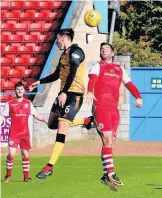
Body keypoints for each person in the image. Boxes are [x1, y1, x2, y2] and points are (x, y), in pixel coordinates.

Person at [29, 28, 93, 179]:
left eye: (58, 39)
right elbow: (57, 74)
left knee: (62, 128)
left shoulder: (77, 52)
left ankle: (49, 166)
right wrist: (40, 81)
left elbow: (72, 72)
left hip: (74, 96)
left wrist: (64, 92)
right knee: (52, 124)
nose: (56, 41)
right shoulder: (63, 55)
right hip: (63, 94)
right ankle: (86, 121)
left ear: (64, 37)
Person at [86, 43, 143, 191]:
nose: (103, 50)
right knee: (107, 139)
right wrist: (90, 92)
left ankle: (106, 175)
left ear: (112, 52)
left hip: (114, 109)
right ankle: (111, 173)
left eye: (106, 49)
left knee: (111, 144)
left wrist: (138, 97)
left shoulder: (119, 69)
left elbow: (129, 84)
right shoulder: (97, 66)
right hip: (101, 106)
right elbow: (92, 79)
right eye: (102, 49)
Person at [0, 82, 47, 183]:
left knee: (25, 155)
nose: (20, 91)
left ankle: (26, 178)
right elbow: (2, 117)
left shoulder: (28, 103)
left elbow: (36, 115)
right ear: (15, 90)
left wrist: (46, 120)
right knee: (11, 154)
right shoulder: (9, 104)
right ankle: (8, 175)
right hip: (14, 133)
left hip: (25, 133)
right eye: (18, 89)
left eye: (21, 89)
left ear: (24, 91)